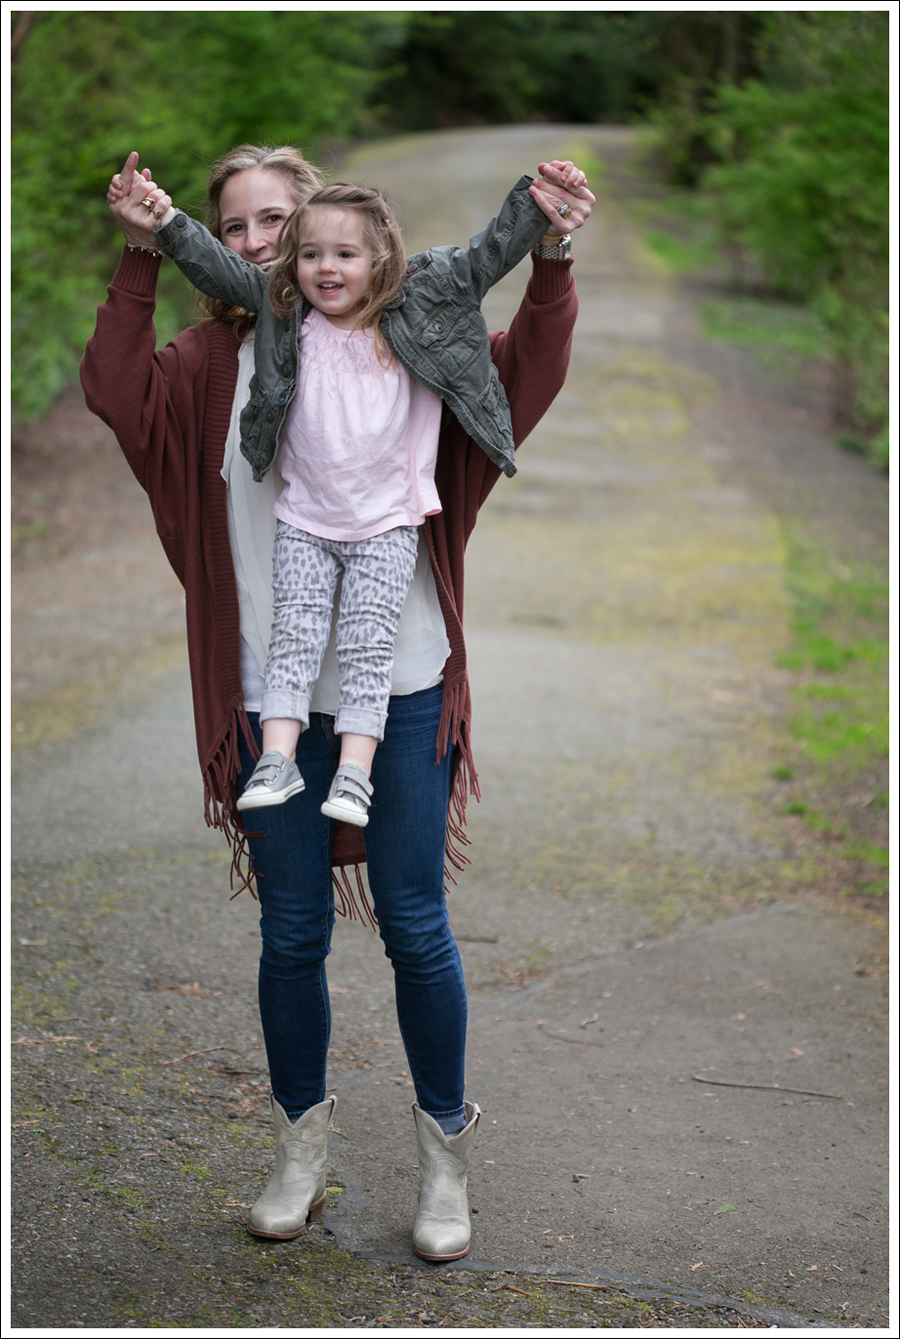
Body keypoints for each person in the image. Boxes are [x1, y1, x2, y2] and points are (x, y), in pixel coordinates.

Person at [81, 143, 593, 1261]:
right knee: (292, 933)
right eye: (238, 226)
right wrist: (140, 255)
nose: (259, 243)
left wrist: (550, 255)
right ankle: (299, 1154)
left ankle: (444, 1160)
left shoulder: (399, 332)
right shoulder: (208, 367)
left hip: (402, 684)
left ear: (328, 235)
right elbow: (115, 391)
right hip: (268, 698)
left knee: (415, 923)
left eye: (278, 221)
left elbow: (520, 374)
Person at [141, 167, 581, 832]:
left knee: (366, 644)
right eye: (311, 254)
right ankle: (278, 760)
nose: (326, 268)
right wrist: (163, 221)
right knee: (292, 638)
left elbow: (489, 253)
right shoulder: (284, 311)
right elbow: (216, 266)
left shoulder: (420, 302)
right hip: (305, 520)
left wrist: (539, 209)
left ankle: (355, 770)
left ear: (382, 260)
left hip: (385, 525)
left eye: (345, 254)